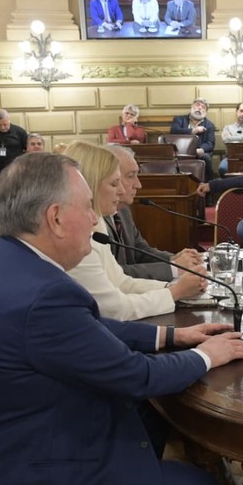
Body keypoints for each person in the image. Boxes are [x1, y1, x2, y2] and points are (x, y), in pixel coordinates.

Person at [0, 152, 243, 485]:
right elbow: (135, 376)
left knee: (152, 416)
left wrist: (173, 335)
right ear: (56, 218)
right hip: (15, 483)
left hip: (5, 443)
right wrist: (205, 356)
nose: (95, 218)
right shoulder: (41, 293)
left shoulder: (7, 259)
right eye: (86, 207)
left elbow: (90, 331)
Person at [63, 141, 205, 321]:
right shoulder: (77, 235)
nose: (122, 190)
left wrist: (174, 287)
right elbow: (114, 310)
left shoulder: (97, 223)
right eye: (115, 183)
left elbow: (121, 282)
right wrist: (174, 292)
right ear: (91, 184)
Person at [107, 146, 203, 281]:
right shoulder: (95, 221)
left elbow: (140, 249)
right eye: (131, 176)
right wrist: (174, 268)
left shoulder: (122, 210)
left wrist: (173, 258)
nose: (138, 184)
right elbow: (115, 274)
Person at [170, 98, 216, 181]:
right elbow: (174, 132)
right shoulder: (179, 119)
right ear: (192, 106)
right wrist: (193, 131)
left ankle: (207, 187)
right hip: (179, 151)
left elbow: (210, 143)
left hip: (198, 152)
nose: (199, 108)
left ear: (206, 112)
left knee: (206, 157)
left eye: (203, 107)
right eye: (197, 105)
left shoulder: (209, 125)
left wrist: (200, 149)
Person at [218, 102, 243, 176]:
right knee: (222, 168)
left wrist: (232, 138)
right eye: (241, 111)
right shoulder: (227, 128)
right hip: (230, 157)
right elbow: (226, 140)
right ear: (236, 111)